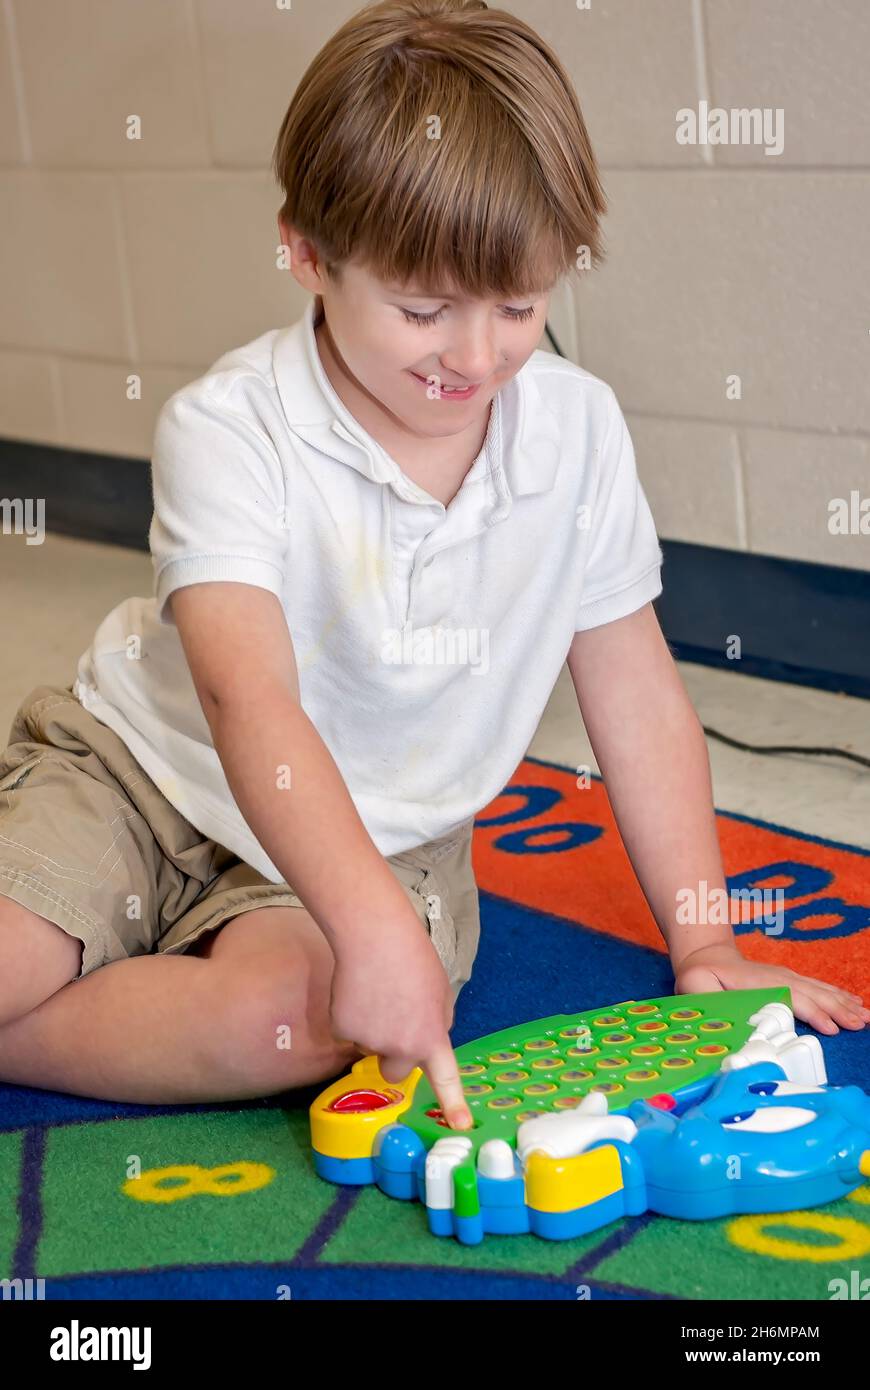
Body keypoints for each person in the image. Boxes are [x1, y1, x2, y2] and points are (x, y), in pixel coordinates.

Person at [0, 0, 865, 1125]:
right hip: (143, 773)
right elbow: (245, 697)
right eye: (422, 310)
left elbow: (639, 696)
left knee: (301, 1024)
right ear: (306, 254)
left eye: (519, 303)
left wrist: (704, 935)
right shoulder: (227, 427)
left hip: (379, 833)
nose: (476, 354)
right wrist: (367, 925)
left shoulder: (579, 433)